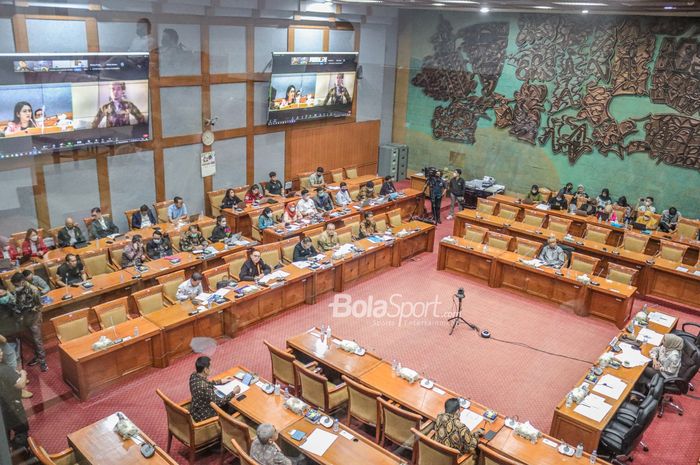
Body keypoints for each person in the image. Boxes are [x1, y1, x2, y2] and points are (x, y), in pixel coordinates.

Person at [10, 273, 46, 372]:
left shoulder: (34, 290)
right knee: (30, 339)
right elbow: (18, 302)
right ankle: (37, 356)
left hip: (33, 318)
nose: (15, 287)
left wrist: (28, 309)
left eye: (16, 285)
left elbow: (39, 306)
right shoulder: (18, 290)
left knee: (37, 341)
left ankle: (43, 361)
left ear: (22, 282)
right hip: (24, 318)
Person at [189, 356, 238, 422]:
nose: (212, 369)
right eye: (210, 367)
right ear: (206, 370)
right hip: (205, 415)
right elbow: (219, 402)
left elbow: (206, 382)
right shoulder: (204, 387)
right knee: (232, 408)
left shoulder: (194, 375)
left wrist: (221, 381)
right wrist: (233, 392)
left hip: (195, 409)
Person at [0, 347, 30, 448]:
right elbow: (21, 384)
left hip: (2, 408)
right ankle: (23, 454)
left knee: (4, 432)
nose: (1, 353)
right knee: (21, 430)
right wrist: (23, 374)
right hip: (12, 405)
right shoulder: (4, 369)